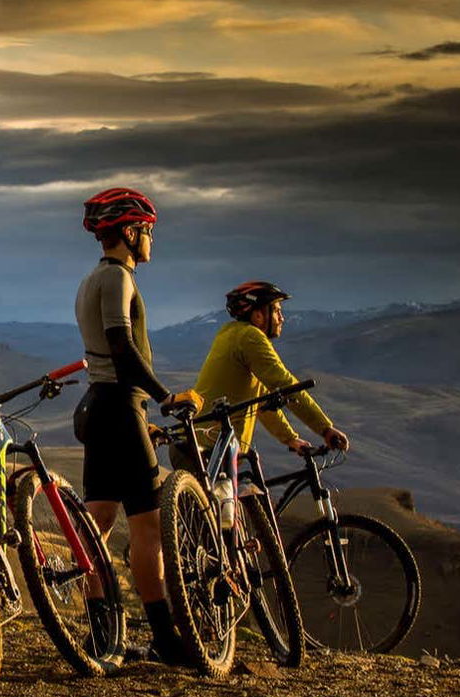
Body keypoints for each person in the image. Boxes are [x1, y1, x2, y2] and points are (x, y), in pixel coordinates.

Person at [74, 187, 202, 662]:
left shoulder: (90, 281)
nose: (151, 240)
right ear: (130, 233)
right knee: (147, 528)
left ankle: (100, 633)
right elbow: (121, 347)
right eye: (147, 231)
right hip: (119, 406)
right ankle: (167, 640)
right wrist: (164, 396)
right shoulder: (118, 281)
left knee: (98, 525)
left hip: (101, 409)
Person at [171, 281, 351, 473]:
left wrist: (290, 439)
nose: (282, 318)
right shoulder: (250, 337)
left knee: (236, 497)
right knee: (225, 500)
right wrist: (325, 429)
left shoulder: (231, 334)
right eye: (276, 311)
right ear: (258, 315)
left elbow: (264, 402)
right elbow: (285, 383)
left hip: (192, 445)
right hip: (209, 449)